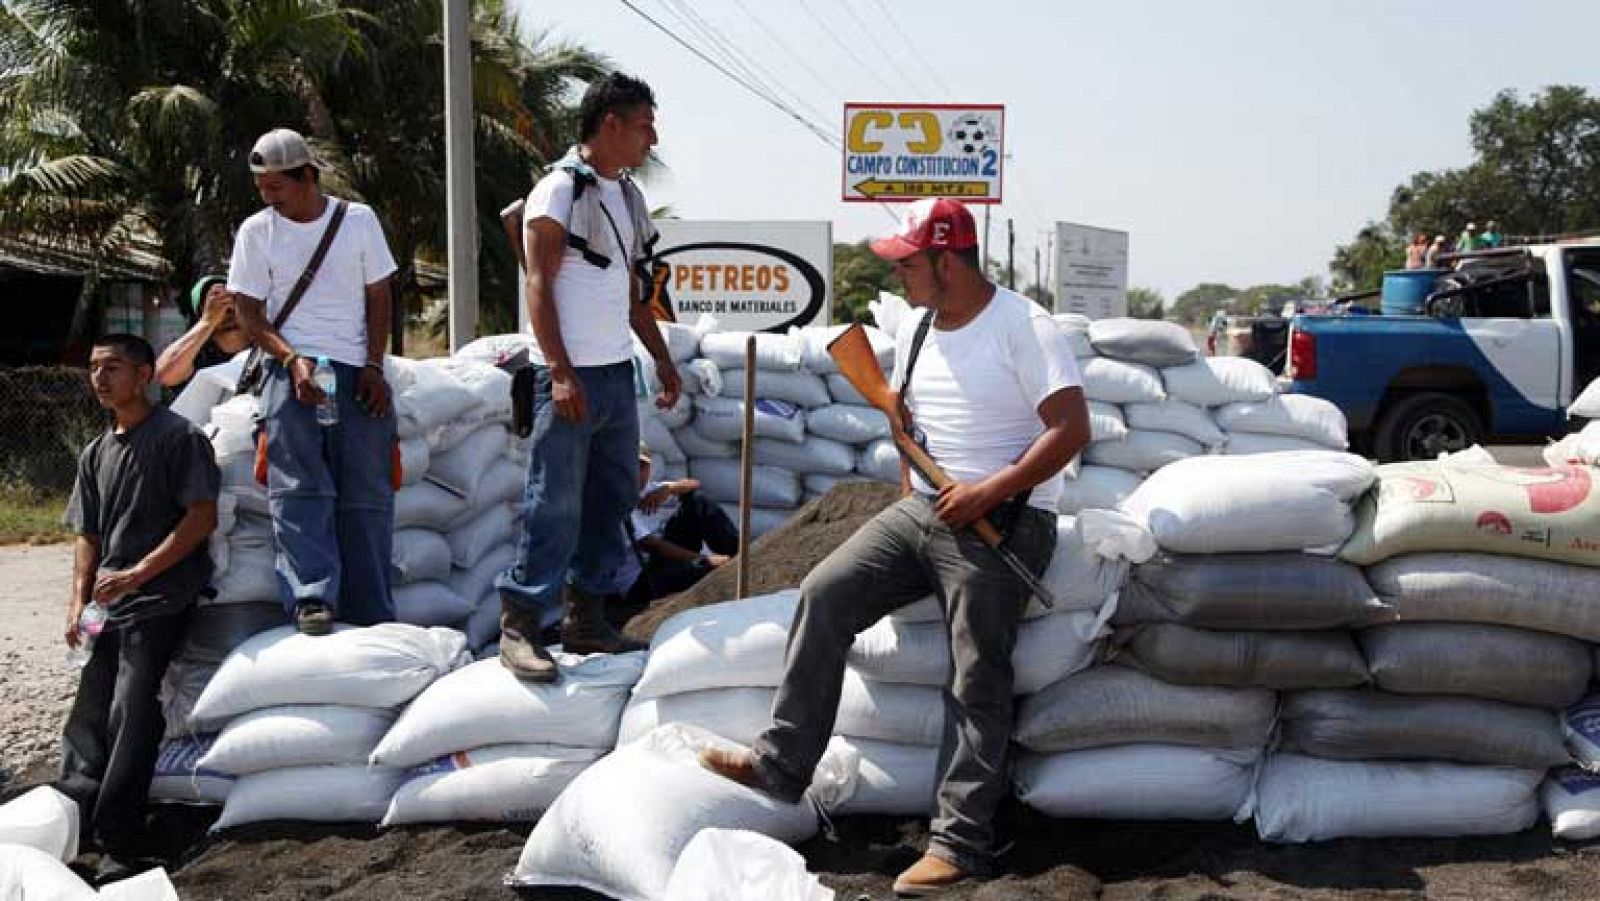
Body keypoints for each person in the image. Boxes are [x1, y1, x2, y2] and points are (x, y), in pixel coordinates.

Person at [698, 198, 1090, 895]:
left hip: (1010, 518)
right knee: (824, 591)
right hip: (925, 509)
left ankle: (961, 841)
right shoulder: (915, 326)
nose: (900, 275)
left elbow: (1070, 429)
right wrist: (910, 448)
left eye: (908, 262)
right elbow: (910, 422)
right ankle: (783, 764)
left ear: (947, 260)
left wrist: (988, 492)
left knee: (976, 666)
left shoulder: (1022, 326)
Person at [495, 72, 682, 682]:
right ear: (611, 125)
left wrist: (660, 356)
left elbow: (629, 293)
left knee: (610, 499)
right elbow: (538, 284)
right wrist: (560, 371)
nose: (651, 139)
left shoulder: (623, 196)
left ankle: (586, 619)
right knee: (553, 501)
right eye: (644, 125)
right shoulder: (559, 190)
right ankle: (520, 625)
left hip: (613, 373)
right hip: (568, 376)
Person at [58, 334, 219, 884]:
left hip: (159, 600)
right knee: (87, 713)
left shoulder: (180, 438)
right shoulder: (95, 452)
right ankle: (72, 818)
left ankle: (120, 838)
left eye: (114, 367)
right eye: (94, 368)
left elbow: (200, 519)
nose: (100, 378)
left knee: (132, 708)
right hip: (109, 606)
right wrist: (78, 600)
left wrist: (137, 575)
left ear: (146, 374)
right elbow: (88, 533)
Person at [229, 127, 400, 635]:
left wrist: (373, 366)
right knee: (299, 488)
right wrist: (291, 359)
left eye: (276, 186)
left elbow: (379, 298)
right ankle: (312, 598)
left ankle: (370, 608)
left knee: (367, 492)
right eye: (262, 187)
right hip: (291, 372)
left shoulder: (358, 221)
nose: (268, 197)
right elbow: (249, 313)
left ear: (307, 177)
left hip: (353, 371)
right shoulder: (257, 232)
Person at [614, 442, 738, 608]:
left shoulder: (647, 490)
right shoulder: (617, 501)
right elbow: (652, 546)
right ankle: (723, 563)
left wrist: (669, 489)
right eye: (632, 466)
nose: (638, 472)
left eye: (642, 466)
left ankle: (737, 554)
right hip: (639, 581)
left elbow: (693, 483)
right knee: (704, 569)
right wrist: (706, 560)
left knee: (698, 501)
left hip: (658, 561)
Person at [153, 276, 251, 388]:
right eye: (217, 306)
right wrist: (208, 322)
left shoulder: (262, 347)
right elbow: (164, 375)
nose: (227, 313)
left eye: (232, 302)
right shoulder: (196, 356)